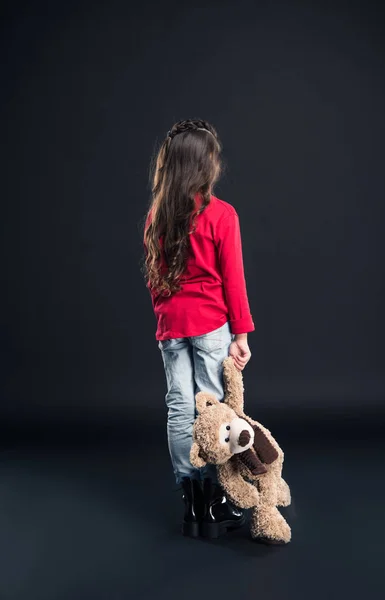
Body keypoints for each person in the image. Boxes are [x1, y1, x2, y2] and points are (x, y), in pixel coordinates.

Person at [141, 118, 255, 538]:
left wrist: (165, 314)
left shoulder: (158, 214)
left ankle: (190, 506)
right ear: (203, 164)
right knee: (214, 411)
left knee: (179, 408)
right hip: (211, 325)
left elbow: (155, 277)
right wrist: (241, 335)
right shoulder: (221, 214)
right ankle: (215, 499)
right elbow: (234, 279)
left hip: (172, 326)